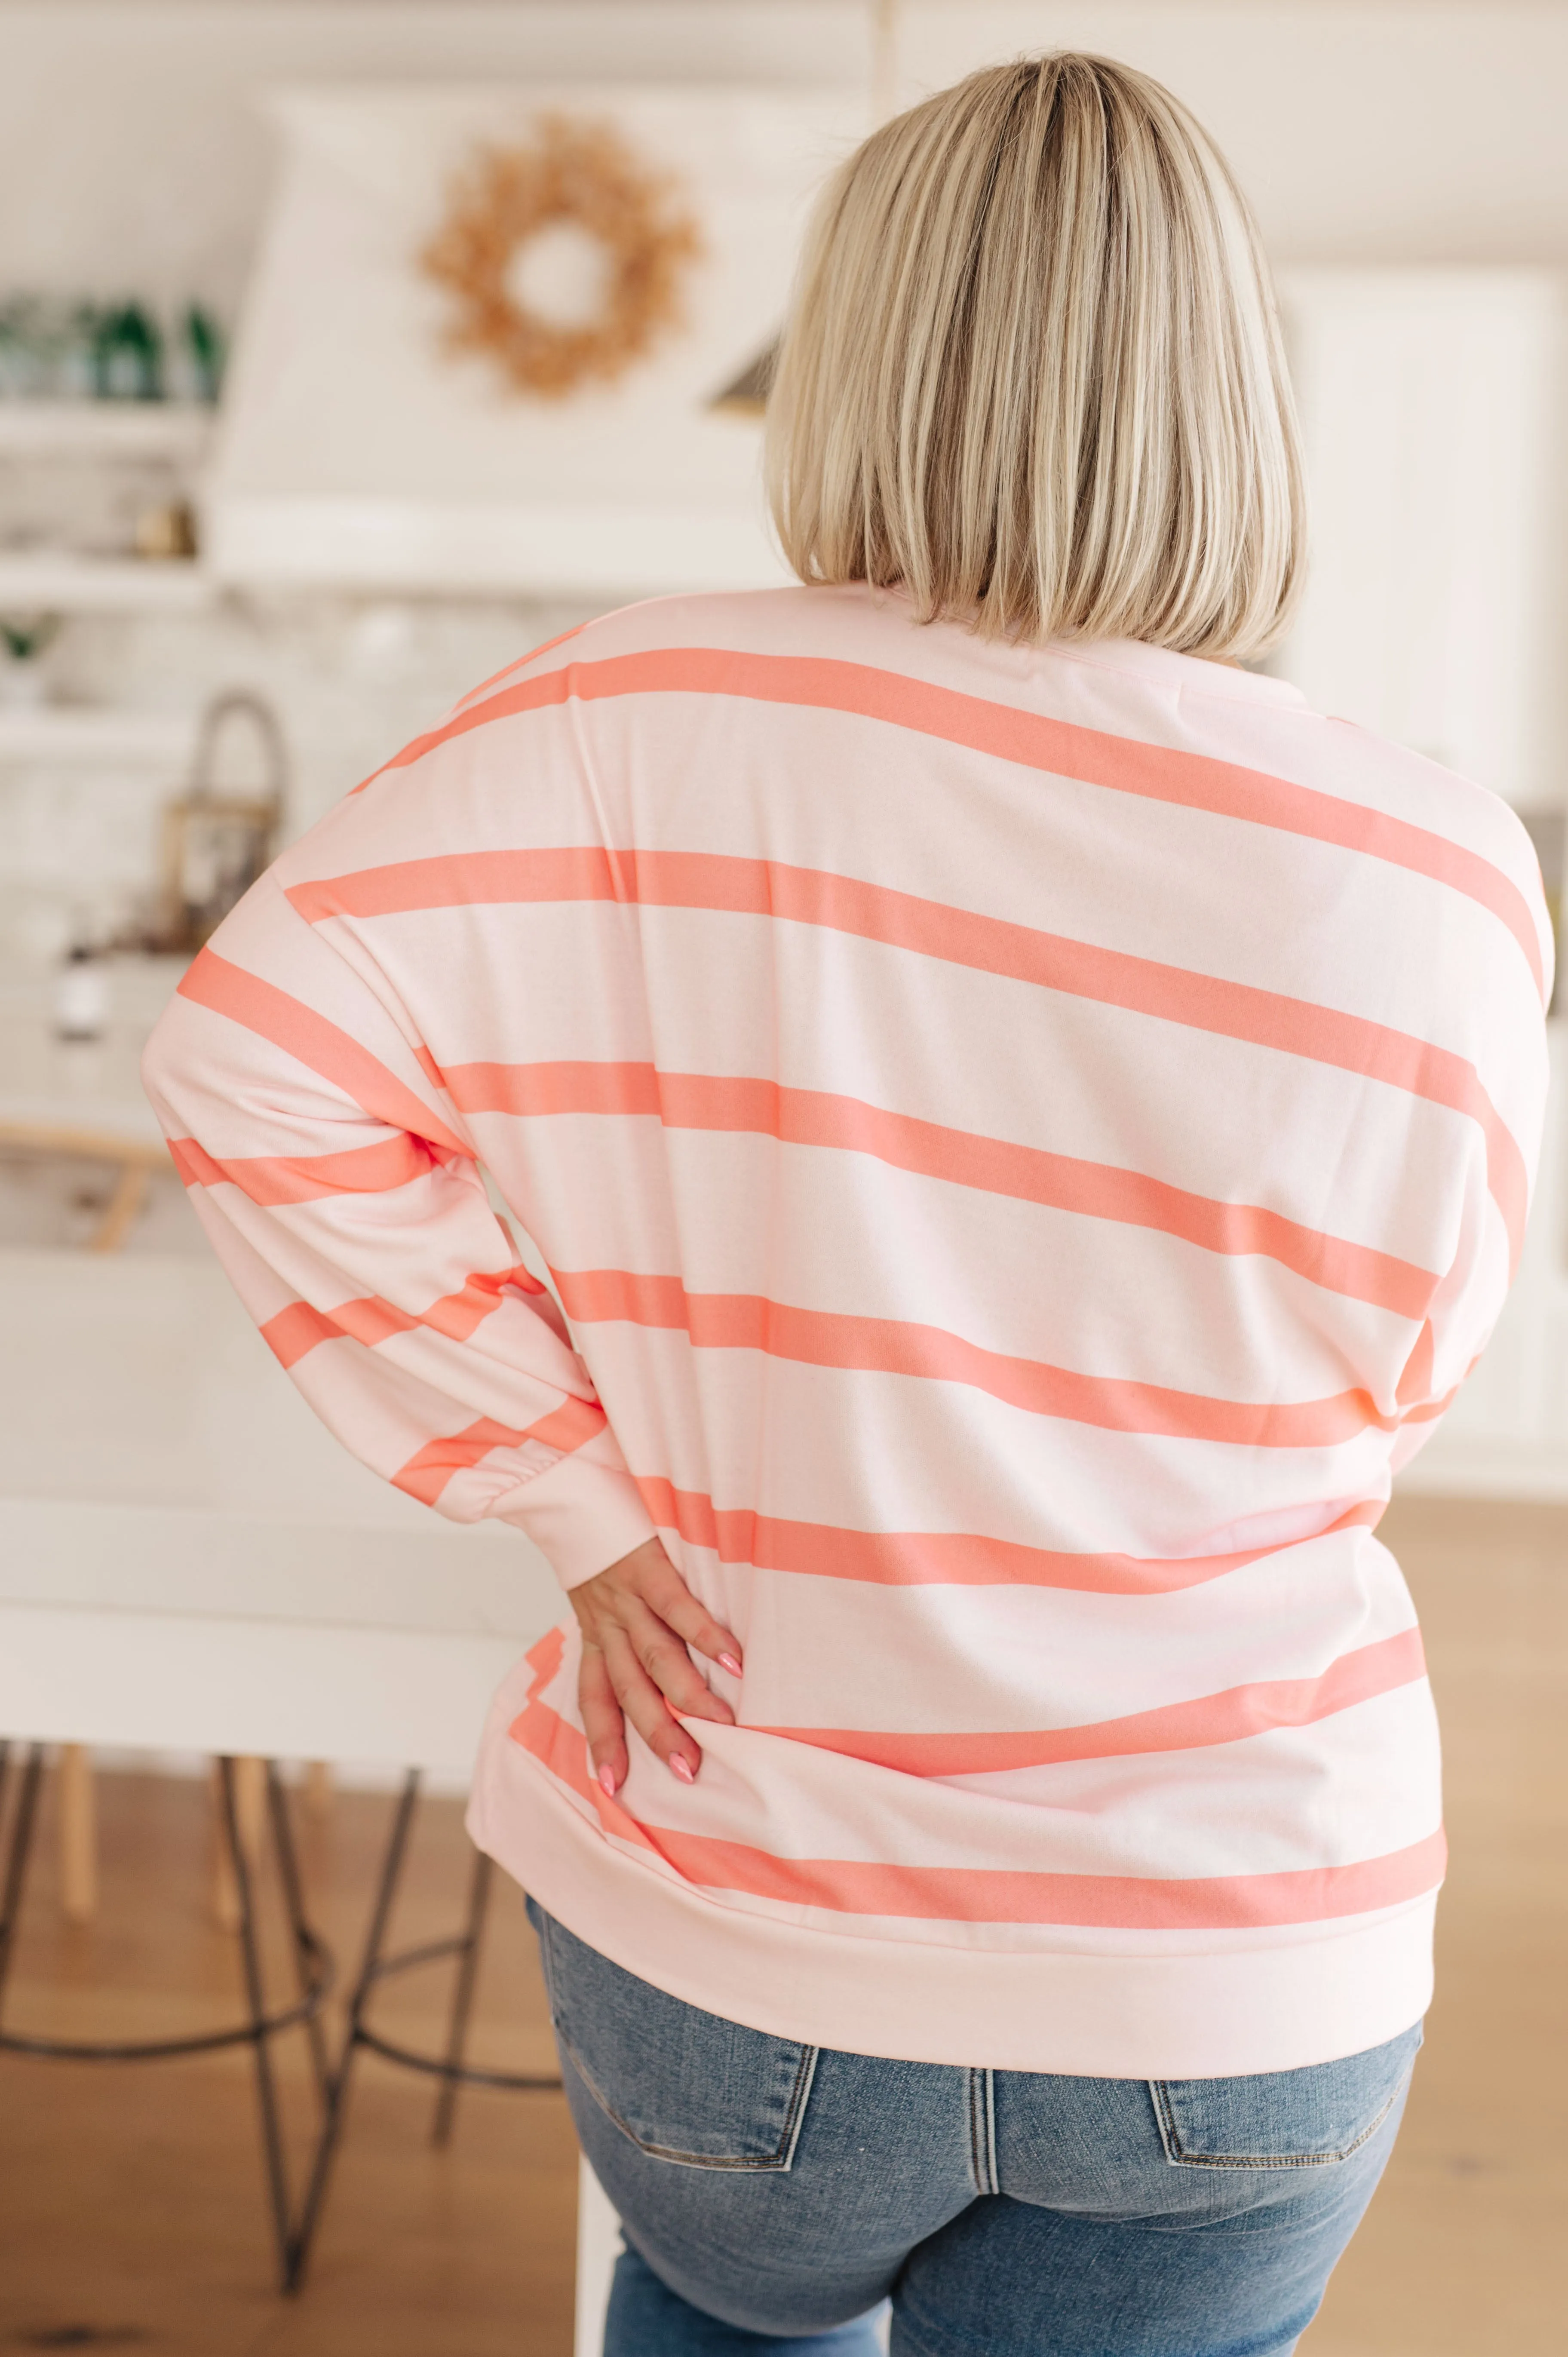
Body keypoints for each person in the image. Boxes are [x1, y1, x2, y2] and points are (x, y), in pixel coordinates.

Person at [142, 51, 1550, 2357]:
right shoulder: (1435, 860)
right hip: (1232, 1949)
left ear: (854, 358)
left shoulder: (627, 707)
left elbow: (251, 1054)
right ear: (1234, 393)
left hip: (746, 1922)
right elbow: (1398, 1371)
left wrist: (568, 1492)